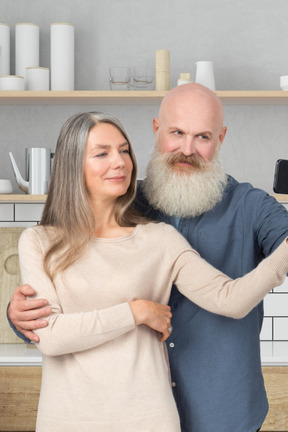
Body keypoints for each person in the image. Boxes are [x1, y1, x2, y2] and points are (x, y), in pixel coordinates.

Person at [8, 85, 288, 432]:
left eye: (202, 136)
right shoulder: (73, 222)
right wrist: (18, 316)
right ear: (157, 131)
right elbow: (51, 323)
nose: (187, 149)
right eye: (177, 133)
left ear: (220, 138)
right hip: (89, 415)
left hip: (213, 411)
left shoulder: (239, 209)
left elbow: (231, 296)